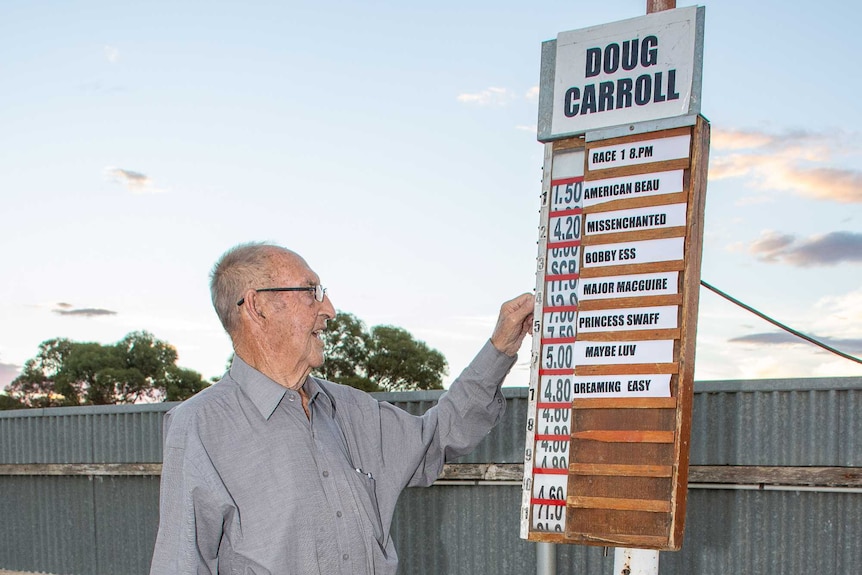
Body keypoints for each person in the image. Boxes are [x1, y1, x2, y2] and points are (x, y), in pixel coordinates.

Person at [149, 242, 533, 575]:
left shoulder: (350, 410)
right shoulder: (200, 426)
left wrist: (500, 347)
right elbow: (180, 564)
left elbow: (438, 436)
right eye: (311, 292)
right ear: (257, 306)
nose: (329, 309)